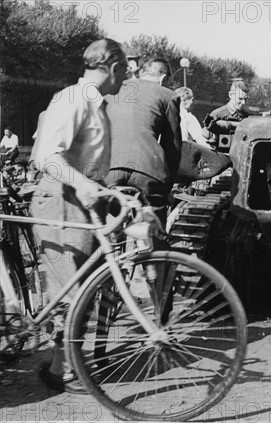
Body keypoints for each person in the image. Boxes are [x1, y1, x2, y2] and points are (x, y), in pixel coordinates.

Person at [29, 39, 129, 393]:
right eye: (125, 71)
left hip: (80, 198)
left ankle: (60, 367)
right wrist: (85, 186)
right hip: (61, 199)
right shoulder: (73, 99)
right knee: (71, 290)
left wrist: (106, 190)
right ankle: (67, 370)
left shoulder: (96, 104)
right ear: (113, 67)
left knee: (83, 287)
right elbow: (46, 157)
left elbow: (87, 160)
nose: (125, 79)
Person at [104, 58, 182, 226]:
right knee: (152, 231)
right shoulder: (168, 96)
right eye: (169, 82)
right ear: (163, 78)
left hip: (109, 169)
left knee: (108, 223)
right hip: (147, 171)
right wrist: (167, 188)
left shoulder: (113, 90)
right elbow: (173, 147)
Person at [202, 80, 250, 144]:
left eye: (245, 99)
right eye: (240, 99)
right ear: (230, 95)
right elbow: (204, 139)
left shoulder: (247, 117)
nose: (243, 102)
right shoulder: (216, 115)